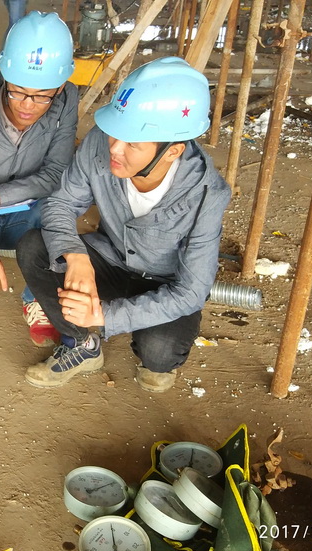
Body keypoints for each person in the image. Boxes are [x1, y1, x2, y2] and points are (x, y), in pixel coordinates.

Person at [16, 57, 231, 392]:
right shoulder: (100, 143)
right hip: (112, 260)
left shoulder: (207, 194)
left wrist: (105, 315)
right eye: (115, 134)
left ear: (172, 152)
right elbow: (61, 203)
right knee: (36, 247)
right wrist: (75, 255)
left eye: (133, 143)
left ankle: (150, 347)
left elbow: (191, 292)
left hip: (164, 284)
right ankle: (81, 345)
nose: (114, 148)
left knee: (159, 353)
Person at [0, 11, 78, 348]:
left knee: (61, 208)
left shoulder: (67, 100)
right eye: (17, 92)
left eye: (42, 95)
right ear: (4, 77)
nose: (27, 106)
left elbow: (55, 172)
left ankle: (38, 297)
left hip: (25, 212)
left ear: (60, 86)